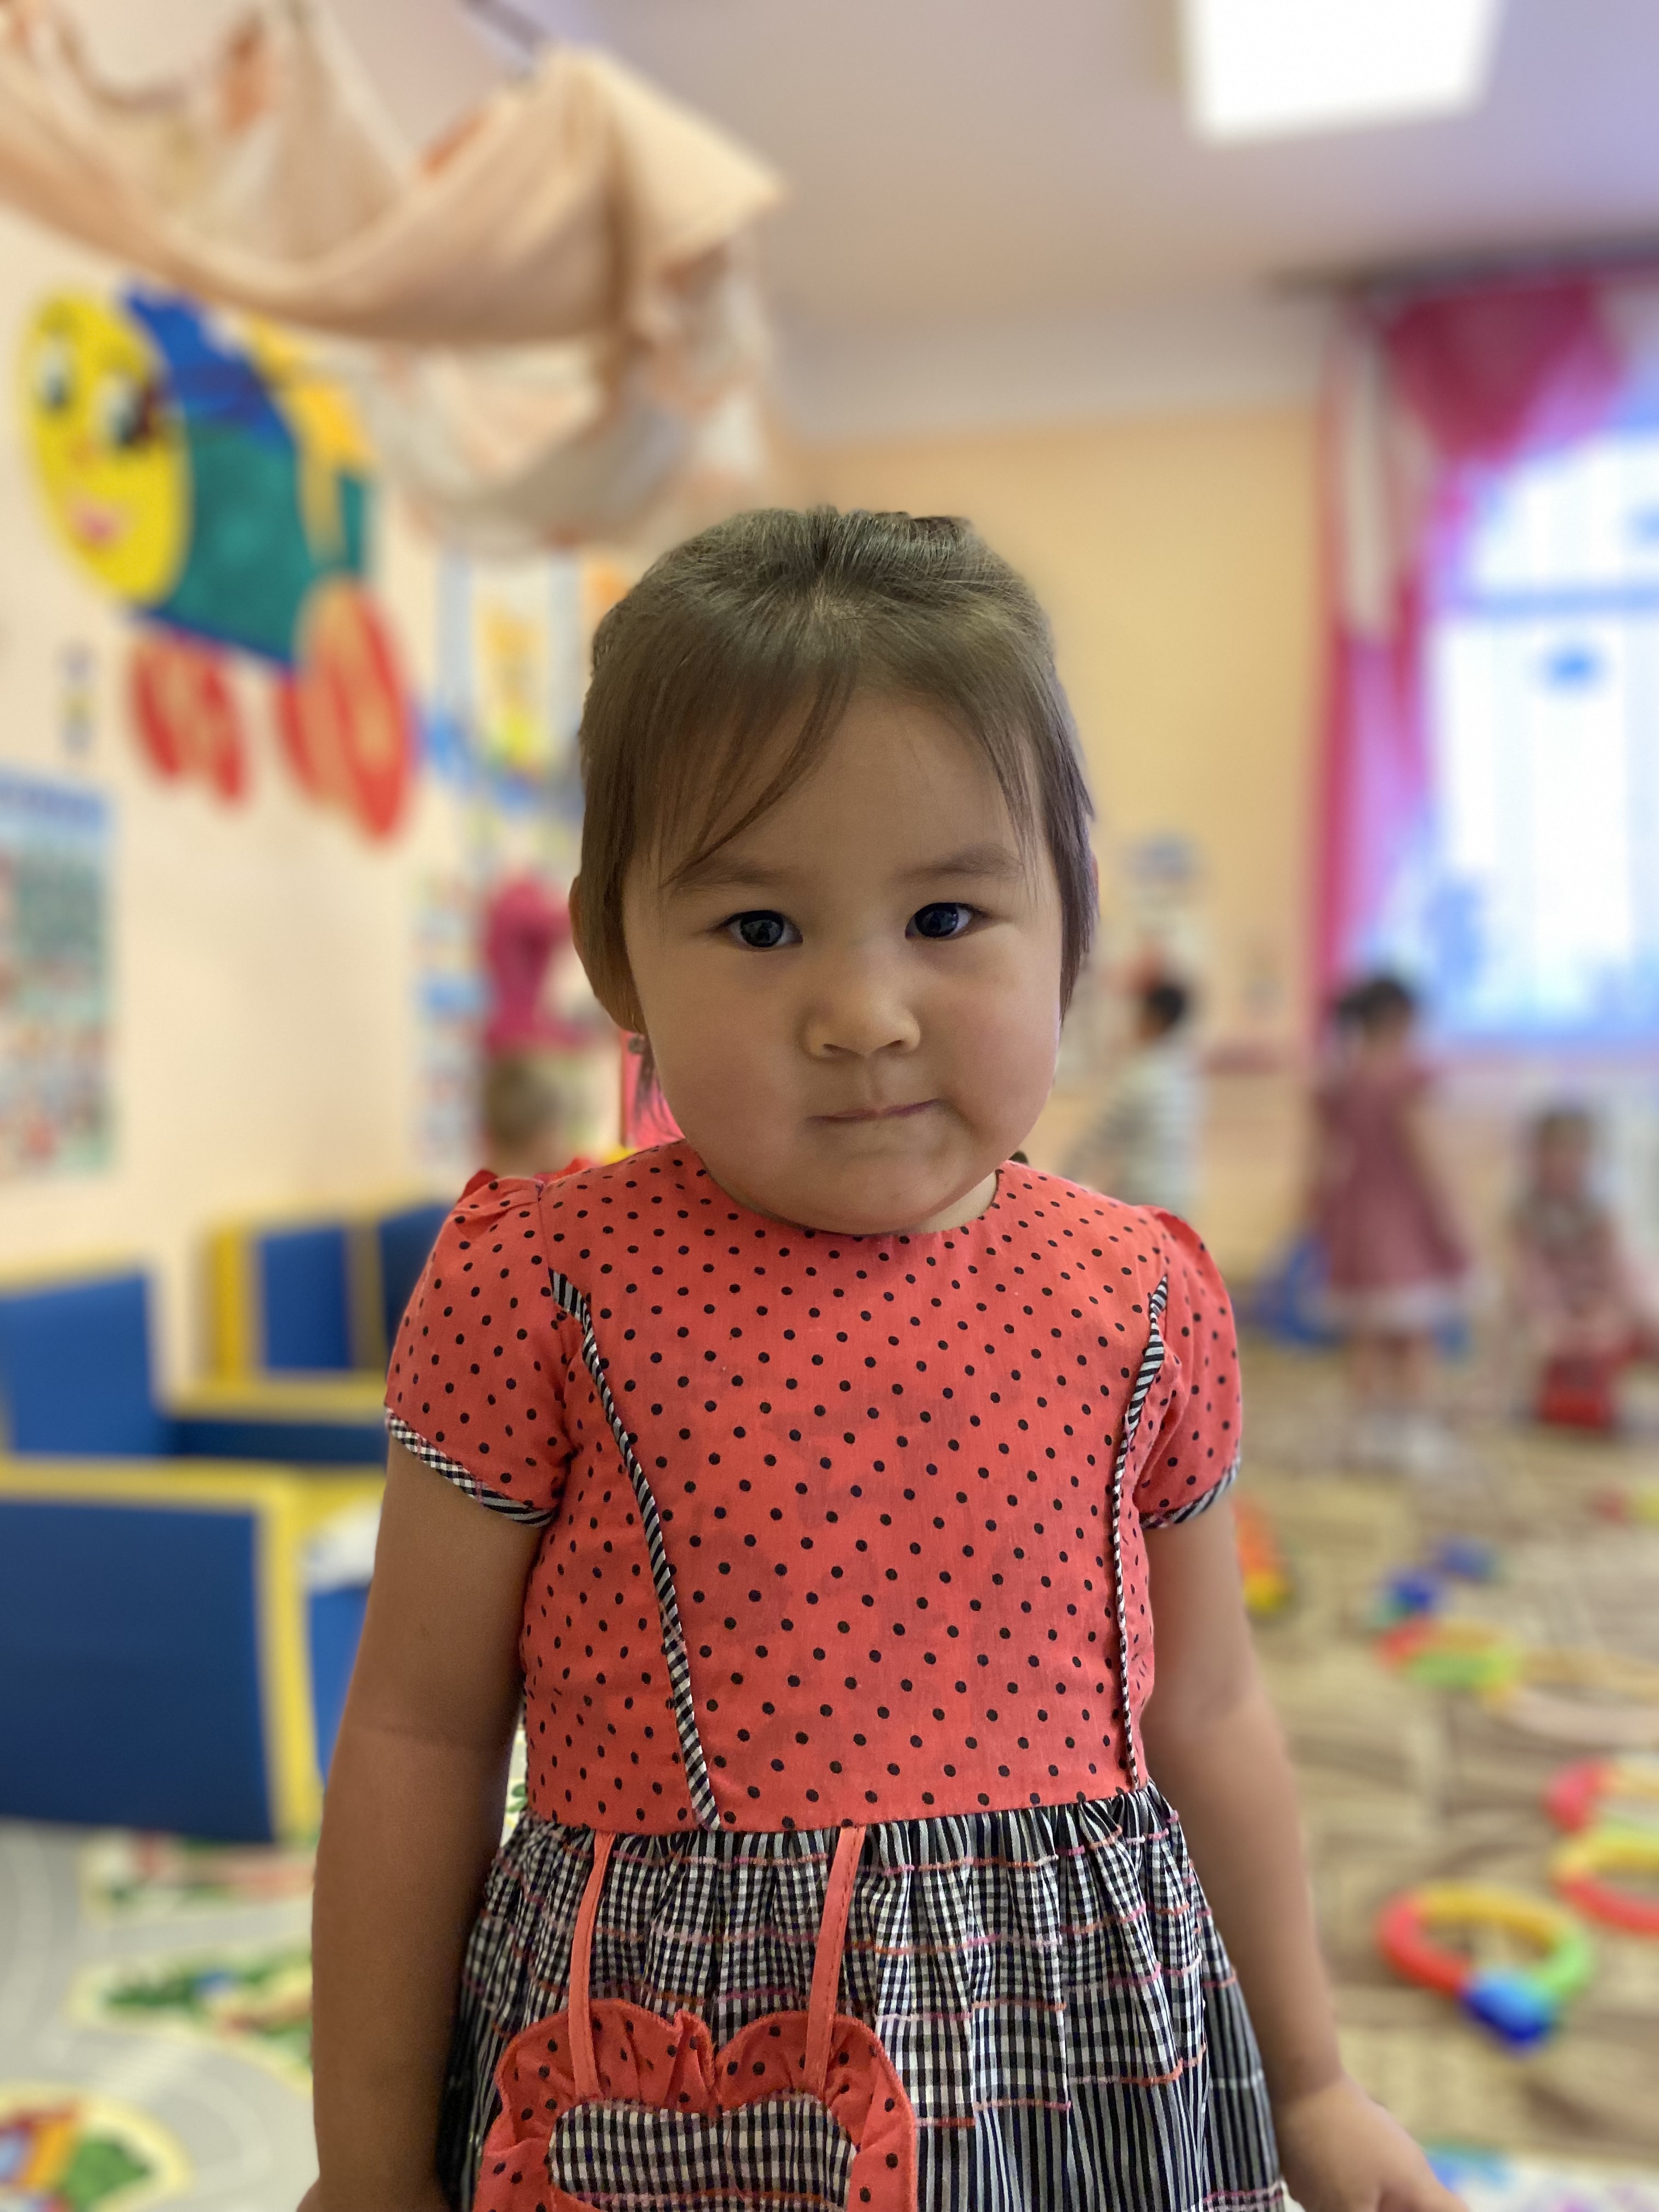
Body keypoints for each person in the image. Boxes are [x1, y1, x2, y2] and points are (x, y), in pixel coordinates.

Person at [308, 510, 1458, 2212]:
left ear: (1071, 931)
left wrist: (1311, 2081)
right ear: (617, 957)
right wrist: (364, 2166)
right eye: (760, 929)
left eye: (946, 914)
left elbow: (1210, 1705)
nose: (863, 1012)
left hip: (1073, 2063)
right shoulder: (539, 1289)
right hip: (671, 2078)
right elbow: (417, 1733)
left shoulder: (1143, 1299)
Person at [1310, 974, 1469, 1471]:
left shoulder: (1344, 1078)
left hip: (1355, 1216)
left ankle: (1367, 1435)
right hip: (1401, 1220)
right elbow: (1425, 1154)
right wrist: (1453, 1217)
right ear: (1400, 1019)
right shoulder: (1403, 1078)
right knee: (1415, 1334)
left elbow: (1324, 1159)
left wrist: (1320, 1215)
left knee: (1368, 1332)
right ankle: (1416, 1437)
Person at [1509, 1104, 1659, 1429]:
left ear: (1590, 1158)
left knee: (1650, 1319)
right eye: (1555, 1153)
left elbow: (1619, 1275)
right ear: (1536, 1156)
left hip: (1608, 1298)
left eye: (1575, 1155)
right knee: (1531, 1335)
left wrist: (1609, 1316)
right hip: (1557, 1304)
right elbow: (1531, 1278)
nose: (1565, 1164)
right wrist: (1555, 1322)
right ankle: (1546, 1401)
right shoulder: (1525, 1211)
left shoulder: (1601, 1209)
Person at [1072, 972, 1200, 1216]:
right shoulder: (1184, 1073)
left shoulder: (1139, 1076)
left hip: (1145, 1198)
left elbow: (1097, 1139)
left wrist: (1060, 1179)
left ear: (1154, 1019)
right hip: (1181, 1195)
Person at [479, 1052, 583, 1181]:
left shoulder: (482, 1186)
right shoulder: (542, 1189)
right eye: (561, 1128)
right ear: (543, 1135)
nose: (569, 1143)